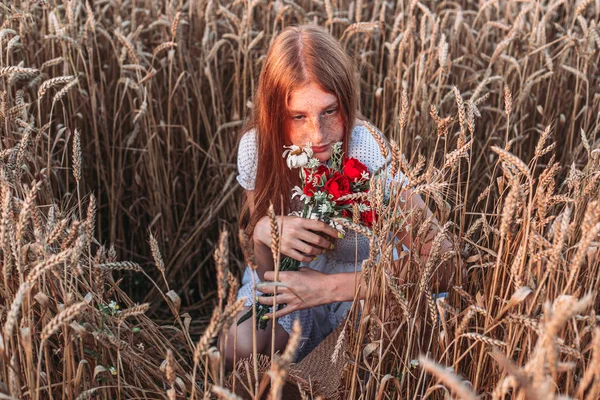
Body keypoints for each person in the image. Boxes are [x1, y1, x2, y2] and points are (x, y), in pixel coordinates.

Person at [220, 24, 456, 370]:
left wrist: (330, 288)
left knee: (374, 351)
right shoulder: (258, 149)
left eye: (329, 111)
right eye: (297, 116)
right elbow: (264, 271)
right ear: (274, 113)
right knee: (238, 345)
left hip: (367, 293)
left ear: (347, 100)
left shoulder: (365, 151)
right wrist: (263, 231)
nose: (317, 135)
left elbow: (444, 262)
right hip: (292, 288)